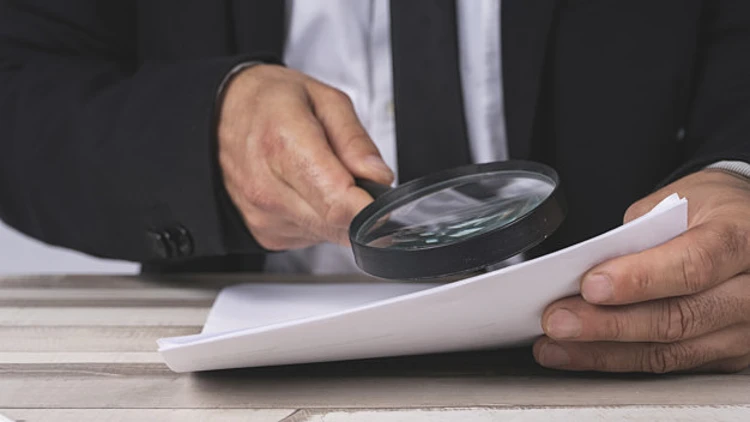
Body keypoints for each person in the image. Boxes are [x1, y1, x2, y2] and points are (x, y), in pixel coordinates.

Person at [0, 0, 749, 374]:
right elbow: (21, 74)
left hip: (606, 362)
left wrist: (736, 176)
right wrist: (198, 135)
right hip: (246, 366)